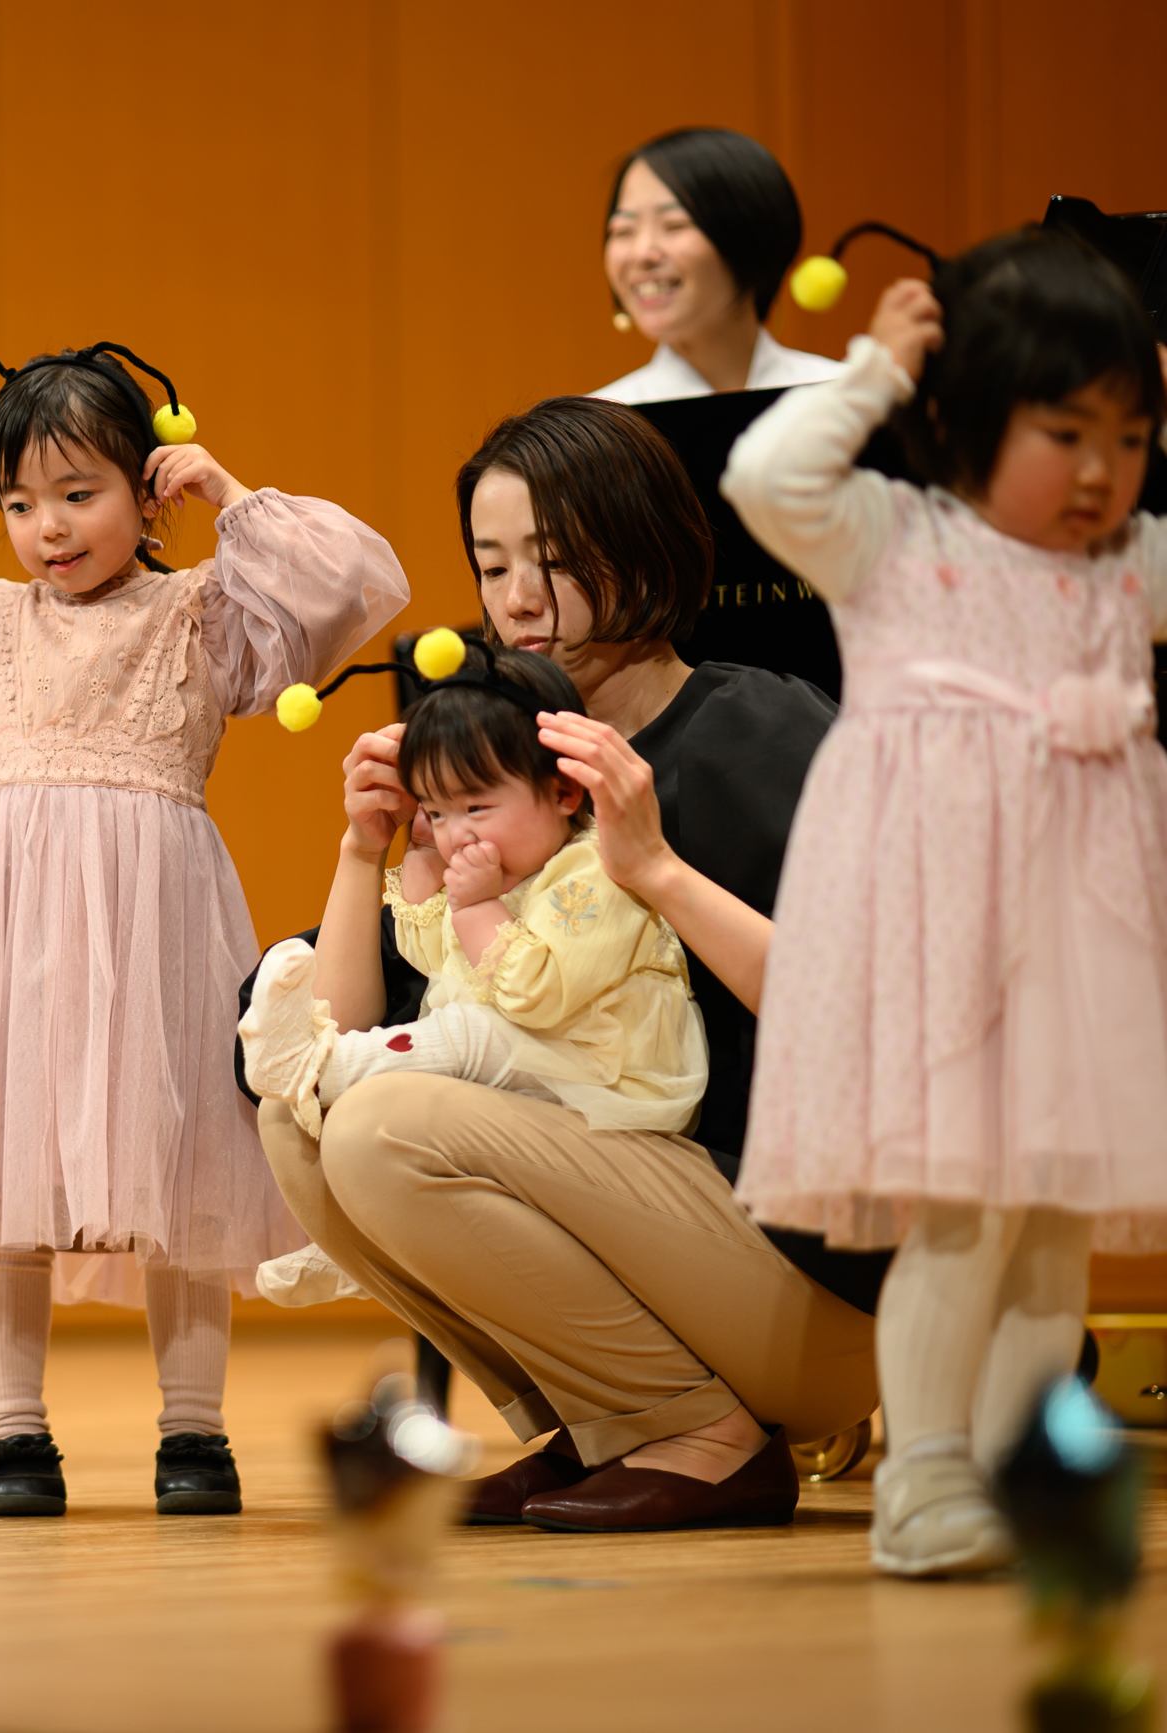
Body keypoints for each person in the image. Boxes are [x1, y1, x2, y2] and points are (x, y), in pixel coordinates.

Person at [245, 394, 883, 1534]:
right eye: (490, 565)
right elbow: (330, 1040)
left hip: (814, 1285)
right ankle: (603, 1422)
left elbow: (858, 1016)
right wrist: (363, 850)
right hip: (667, 1247)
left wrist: (654, 868)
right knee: (300, 1118)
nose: (516, 598)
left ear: (639, 542)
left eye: (553, 558)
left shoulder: (759, 730)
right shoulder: (498, 759)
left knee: (387, 1128)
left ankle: (699, 1434)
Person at [0, 342, 409, 1517]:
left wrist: (229, 494)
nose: (47, 527)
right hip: (1, 914)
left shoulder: (199, 612)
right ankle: (10, 1432)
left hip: (159, 915)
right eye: (21, 502)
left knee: (181, 1166)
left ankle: (196, 1431)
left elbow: (348, 582)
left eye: (79, 494)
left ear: (144, 489)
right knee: (2, 1162)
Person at [726, 230, 1167, 1576]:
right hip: (934, 938)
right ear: (966, 420)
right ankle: (921, 1476)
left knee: (1047, 1239)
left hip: (1073, 943)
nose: (1100, 471)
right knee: (961, 1215)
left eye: (1131, 436)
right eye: (1064, 431)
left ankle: (1018, 1466)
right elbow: (765, 474)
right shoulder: (891, 539)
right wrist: (872, 373)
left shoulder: (1124, 568)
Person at [242, 643, 705, 1157]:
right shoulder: (500, 873)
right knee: (285, 1119)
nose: (455, 834)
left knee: (466, 1032)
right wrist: (421, 859)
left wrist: (477, 908)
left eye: (476, 807)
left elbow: (537, 995)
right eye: (438, 811)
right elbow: (434, 961)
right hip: (543, 1081)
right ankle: (339, 1233)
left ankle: (323, 1063)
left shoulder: (594, 867)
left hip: (615, 1082)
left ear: (564, 792)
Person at [595, 127, 844, 404]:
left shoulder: (851, 402)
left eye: (675, 224)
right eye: (623, 230)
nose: (642, 253)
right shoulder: (596, 431)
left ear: (752, 239)